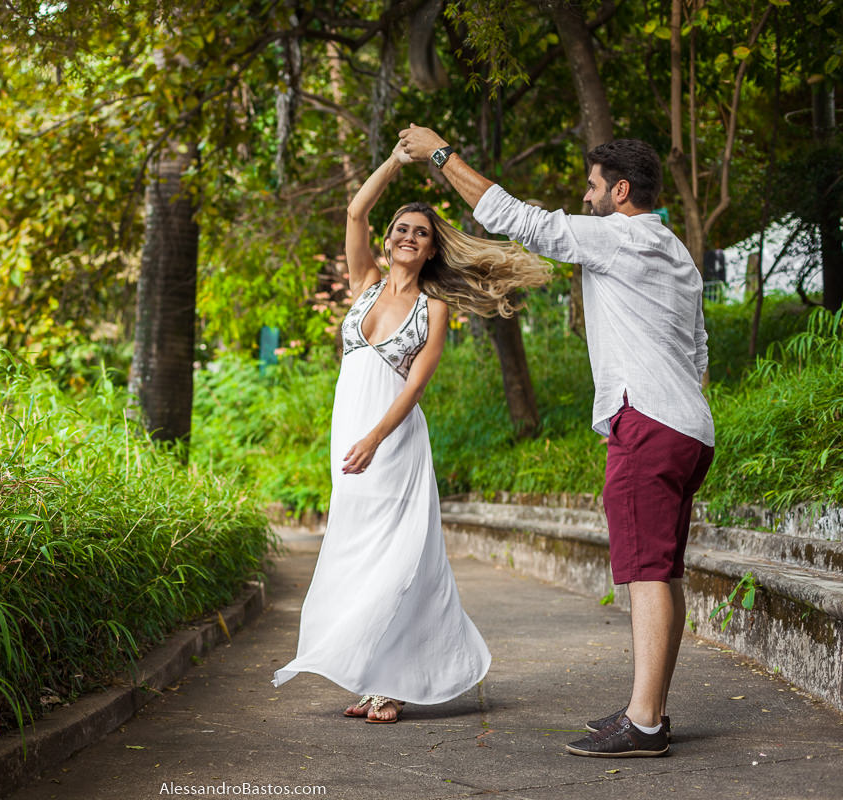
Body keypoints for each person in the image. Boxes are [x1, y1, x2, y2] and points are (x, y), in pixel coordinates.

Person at [398, 125, 714, 756]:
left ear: (621, 191)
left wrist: (440, 155)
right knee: (663, 572)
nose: (586, 195)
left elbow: (519, 219)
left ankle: (645, 722)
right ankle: (646, 708)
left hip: (646, 421)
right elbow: (700, 351)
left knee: (646, 573)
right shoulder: (674, 252)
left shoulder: (620, 237)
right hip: (689, 427)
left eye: (593, 186)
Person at [271, 142, 551, 723]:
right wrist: (398, 163)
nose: (407, 236)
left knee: (397, 558)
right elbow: (355, 213)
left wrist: (375, 439)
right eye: (401, 227)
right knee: (357, 554)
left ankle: (394, 684)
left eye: (420, 233)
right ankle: (374, 674)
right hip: (346, 436)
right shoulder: (365, 283)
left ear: (431, 249)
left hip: (391, 442)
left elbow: (414, 387)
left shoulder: (435, 307)